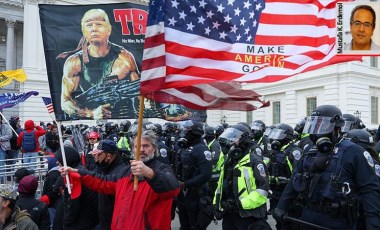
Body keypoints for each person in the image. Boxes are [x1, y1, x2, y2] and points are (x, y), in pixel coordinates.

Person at [274, 105, 380, 230]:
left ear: (337, 127)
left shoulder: (355, 152)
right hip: (306, 217)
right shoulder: (309, 150)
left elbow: (370, 191)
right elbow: (294, 179)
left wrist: (373, 224)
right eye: (314, 125)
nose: (317, 131)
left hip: (337, 221)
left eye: (322, 126)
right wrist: (281, 206)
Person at [60, 130, 179, 230]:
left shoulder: (162, 168)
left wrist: (149, 173)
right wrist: (77, 172)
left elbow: (172, 189)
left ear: (154, 148)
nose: (141, 150)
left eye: (146, 146)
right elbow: (102, 182)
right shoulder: (125, 172)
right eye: (137, 146)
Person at [59, 8, 140, 119]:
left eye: (99, 24)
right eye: (89, 25)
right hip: (90, 122)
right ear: (84, 32)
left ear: (109, 30)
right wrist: (90, 114)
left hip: (125, 118)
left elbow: (140, 94)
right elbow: (65, 102)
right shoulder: (74, 62)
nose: (94, 29)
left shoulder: (124, 58)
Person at [213, 124, 271, 229]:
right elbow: (220, 186)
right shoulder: (229, 161)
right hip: (229, 213)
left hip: (249, 215)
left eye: (234, 138)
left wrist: (240, 203)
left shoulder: (255, 162)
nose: (230, 141)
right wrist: (216, 205)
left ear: (244, 141)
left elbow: (263, 191)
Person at [174, 120, 213, 230]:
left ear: (194, 133)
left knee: (195, 225)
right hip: (183, 194)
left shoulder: (201, 150)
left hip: (196, 194)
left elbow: (206, 174)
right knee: (184, 224)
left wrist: (185, 184)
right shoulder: (185, 147)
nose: (184, 133)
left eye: (187, 131)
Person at [53, 146, 99, 230]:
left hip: (80, 223)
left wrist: (67, 224)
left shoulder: (75, 177)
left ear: (67, 160)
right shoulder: (81, 171)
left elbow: (74, 205)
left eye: (59, 160)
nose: (57, 162)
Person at [90, 140, 125, 230]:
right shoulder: (106, 169)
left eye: (99, 154)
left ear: (108, 156)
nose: (96, 157)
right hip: (104, 222)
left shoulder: (120, 173)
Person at [0, 115, 12, 183]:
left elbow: (9, 135)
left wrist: (1, 138)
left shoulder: (6, 126)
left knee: (1, 164)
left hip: (3, 148)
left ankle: (1, 181)